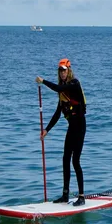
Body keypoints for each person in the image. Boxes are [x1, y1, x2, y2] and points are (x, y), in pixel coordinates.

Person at [36, 58, 87, 206]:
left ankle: (81, 196)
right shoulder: (62, 91)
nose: (62, 73)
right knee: (65, 159)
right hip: (72, 127)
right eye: (60, 70)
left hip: (80, 126)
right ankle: (65, 195)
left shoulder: (74, 83)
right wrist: (46, 129)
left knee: (75, 161)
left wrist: (43, 81)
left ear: (69, 70)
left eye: (64, 70)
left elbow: (58, 89)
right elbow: (58, 113)